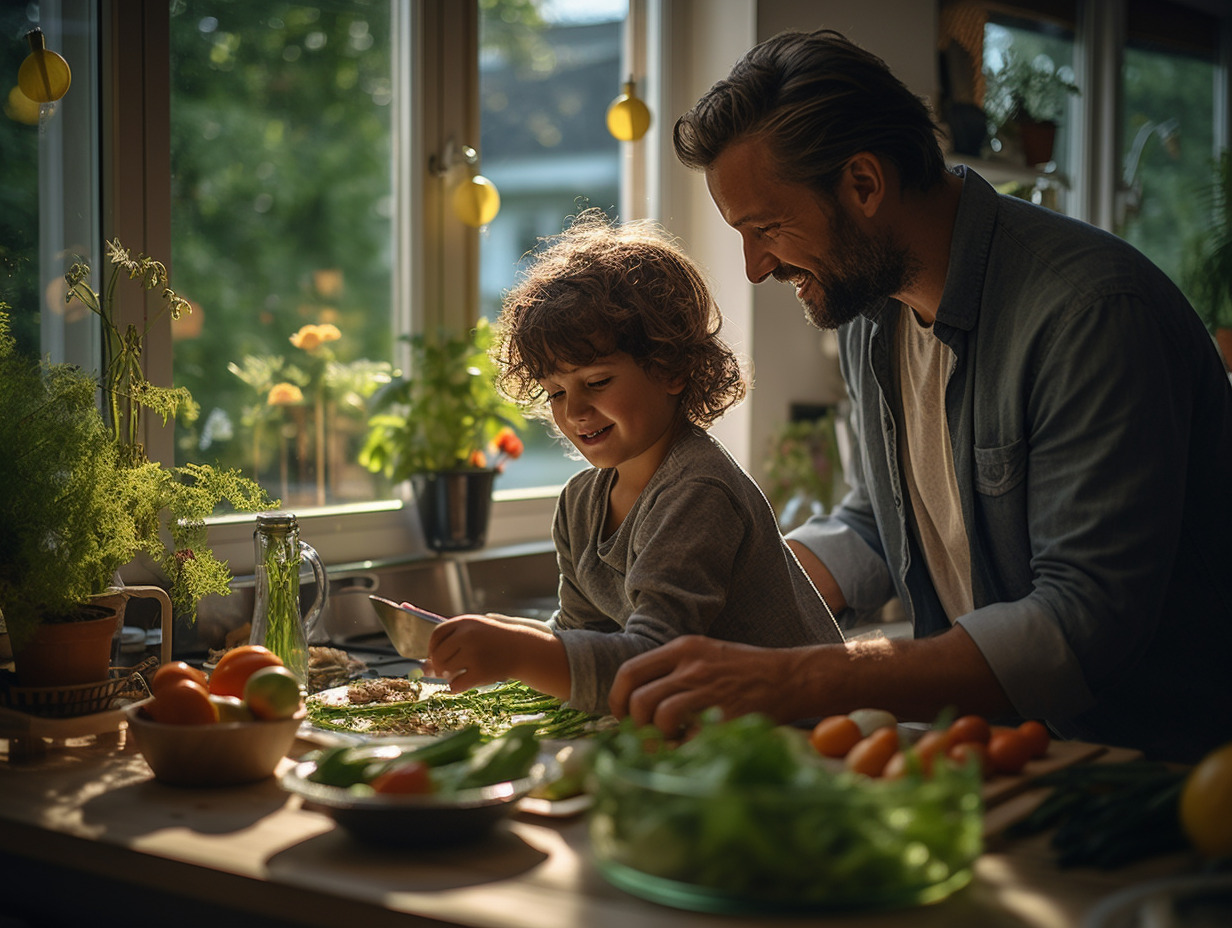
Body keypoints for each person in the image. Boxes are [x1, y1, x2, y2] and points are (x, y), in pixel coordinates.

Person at [608, 29, 1232, 761]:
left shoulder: (1090, 314)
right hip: (994, 757)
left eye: (766, 228)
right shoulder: (870, 314)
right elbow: (885, 517)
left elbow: (1082, 621)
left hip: (1149, 778)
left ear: (864, 185)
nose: (753, 268)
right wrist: (730, 577)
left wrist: (801, 676)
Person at [424, 211, 844, 715]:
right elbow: (584, 639)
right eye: (556, 392)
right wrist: (506, 638)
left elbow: (656, 663)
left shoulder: (698, 491)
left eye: (597, 382)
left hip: (798, 736)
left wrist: (516, 651)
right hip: (707, 734)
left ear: (671, 369)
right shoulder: (580, 505)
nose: (575, 411)